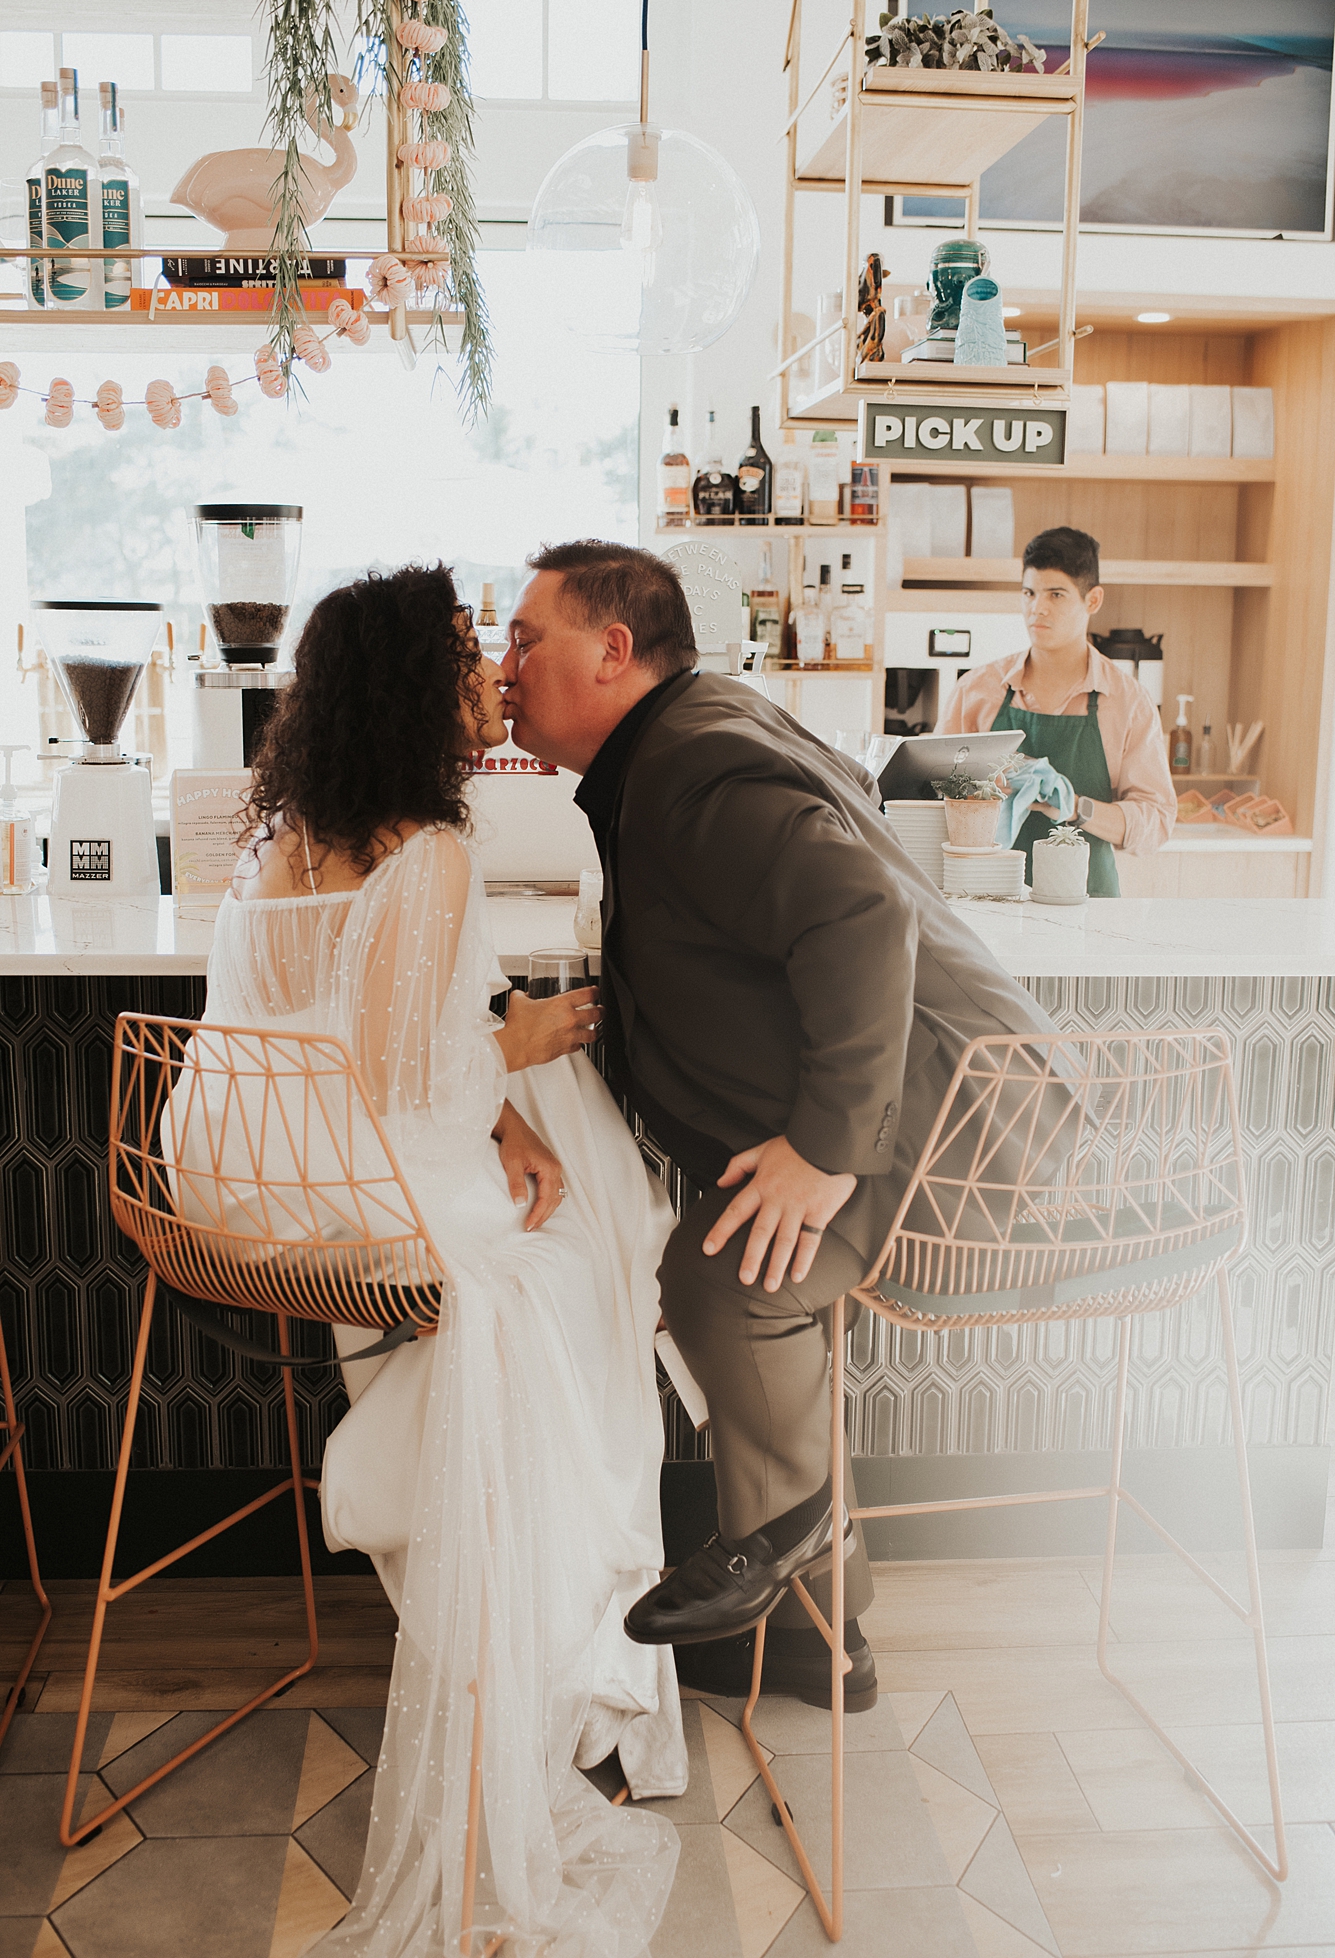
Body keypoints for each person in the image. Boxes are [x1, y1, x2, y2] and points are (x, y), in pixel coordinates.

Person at [183, 564, 685, 1956]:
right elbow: (413, 1087)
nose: (489, 678)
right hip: (365, 1195)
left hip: (246, 1181)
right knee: (578, 1288)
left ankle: (434, 1524)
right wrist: (520, 1047)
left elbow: (334, 1048)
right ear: (418, 691)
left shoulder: (275, 838)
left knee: (541, 1270)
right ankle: (534, 1650)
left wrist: (495, 1091)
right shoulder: (433, 852)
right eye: (469, 658)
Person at [500, 539, 1058, 1711]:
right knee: (728, 1263)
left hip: (949, 1120)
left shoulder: (689, 765)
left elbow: (857, 914)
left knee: (731, 1278)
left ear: (612, 653)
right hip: (941, 1090)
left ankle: (797, 1603)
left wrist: (823, 1149)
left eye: (523, 638)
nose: (505, 666)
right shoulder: (687, 736)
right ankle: (813, 1622)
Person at [937, 525, 1176, 895]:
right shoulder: (976, 690)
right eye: (1029, 593)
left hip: (1087, 903)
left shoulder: (1128, 702)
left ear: (1092, 601)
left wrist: (1077, 808)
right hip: (984, 900)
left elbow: (1155, 822)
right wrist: (980, 792)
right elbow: (929, 791)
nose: (1038, 608)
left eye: (1056, 594)